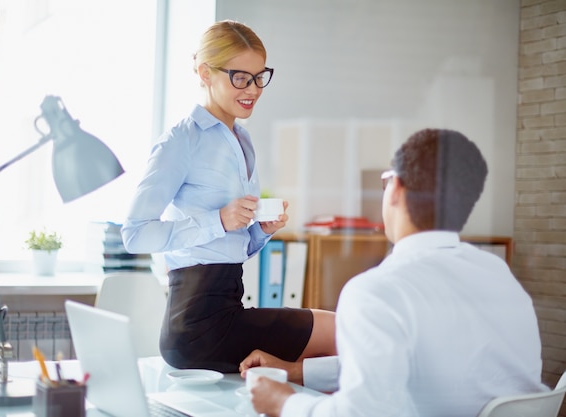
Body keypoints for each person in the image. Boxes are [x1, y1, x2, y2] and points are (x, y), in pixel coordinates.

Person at [240, 128, 546, 417]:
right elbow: (422, 363)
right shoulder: (497, 274)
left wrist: (284, 402)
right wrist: (299, 373)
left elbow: (361, 413)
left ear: (396, 187)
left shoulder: (375, 292)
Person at [121, 20, 336, 373]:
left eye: (259, 76)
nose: (253, 89)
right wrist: (217, 219)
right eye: (240, 77)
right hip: (196, 325)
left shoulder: (244, 141)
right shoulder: (181, 141)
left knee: (331, 346)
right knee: (343, 332)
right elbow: (134, 233)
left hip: (229, 308)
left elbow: (237, 246)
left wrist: (262, 230)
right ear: (206, 73)